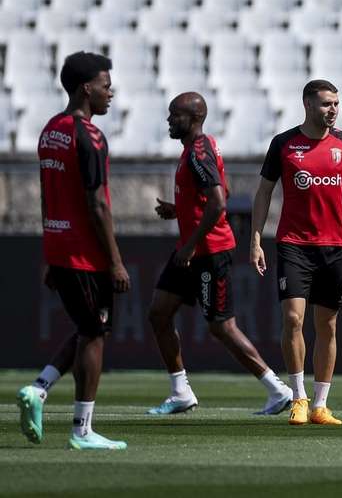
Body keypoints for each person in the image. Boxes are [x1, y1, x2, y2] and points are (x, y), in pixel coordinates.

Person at [145, 92, 292, 416]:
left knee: (221, 327)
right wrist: (179, 209)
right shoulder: (198, 149)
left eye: (176, 115)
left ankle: (277, 389)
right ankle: (180, 391)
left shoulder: (198, 152)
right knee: (159, 313)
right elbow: (219, 191)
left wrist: (191, 244)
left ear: (194, 118)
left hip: (207, 252)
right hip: (191, 249)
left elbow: (219, 203)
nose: (170, 120)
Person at [250, 79, 342, 426]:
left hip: (333, 248)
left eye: (337, 103)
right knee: (293, 318)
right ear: (308, 105)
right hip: (294, 244)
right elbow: (264, 192)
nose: (333, 110)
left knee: (328, 325)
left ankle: (320, 405)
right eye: (326, 104)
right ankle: (298, 397)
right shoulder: (283, 144)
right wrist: (255, 238)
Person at [16, 52, 130, 450]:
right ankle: (83, 430)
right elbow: (97, 203)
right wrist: (115, 260)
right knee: (95, 334)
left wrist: (50, 252)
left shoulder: (50, 130)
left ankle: (40, 389)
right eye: (105, 84)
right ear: (87, 88)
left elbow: (49, 196)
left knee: (87, 328)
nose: (110, 92)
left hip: (60, 246)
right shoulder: (90, 135)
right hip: (86, 253)